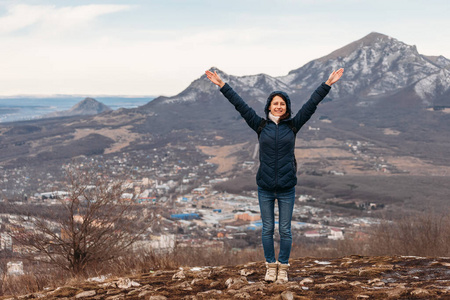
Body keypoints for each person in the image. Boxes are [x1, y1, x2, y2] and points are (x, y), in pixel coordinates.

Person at [205, 68, 344, 283]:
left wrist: (327, 84)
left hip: (287, 187)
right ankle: (271, 266)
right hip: (265, 187)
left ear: (286, 107)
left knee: (286, 230)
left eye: (282, 104)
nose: (278, 106)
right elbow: (240, 105)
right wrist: (222, 85)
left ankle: (284, 268)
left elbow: (311, 104)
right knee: (268, 229)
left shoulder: (293, 126)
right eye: (275, 103)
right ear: (269, 106)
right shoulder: (260, 125)